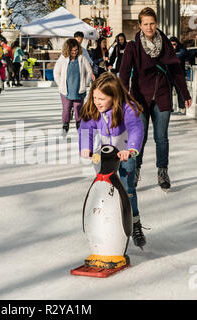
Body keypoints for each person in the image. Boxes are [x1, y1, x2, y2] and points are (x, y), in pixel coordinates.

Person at [119, 7, 191, 191]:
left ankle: (162, 171)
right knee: (139, 138)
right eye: (146, 24)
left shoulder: (165, 44)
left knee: (161, 138)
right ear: (140, 25)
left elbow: (176, 70)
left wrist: (185, 94)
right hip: (140, 98)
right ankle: (135, 170)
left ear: (156, 23)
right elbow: (125, 73)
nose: (149, 27)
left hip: (162, 96)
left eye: (152, 23)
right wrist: (123, 97)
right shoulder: (133, 46)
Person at [78, 72, 146, 249]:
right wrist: (86, 147)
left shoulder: (127, 108)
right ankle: (106, 223)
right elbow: (85, 127)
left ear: (114, 96)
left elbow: (136, 128)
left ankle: (135, 223)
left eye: (102, 98)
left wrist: (130, 149)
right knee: (104, 188)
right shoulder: (94, 109)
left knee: (128, 189)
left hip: (125, 154)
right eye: (94, 97)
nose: (97, 102)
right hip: (104, 155)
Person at [53, 38, 92, 135]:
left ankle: (79, 123)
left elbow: (89, 71)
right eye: (72, 50)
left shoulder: (82, 58)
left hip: (79, 89)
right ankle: (65, 124)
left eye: (76, 50)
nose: (74, 52)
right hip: (66, 90)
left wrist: (86, 83)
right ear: (67, 49)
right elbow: (56, 72)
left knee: (78, 108)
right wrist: (60, 84)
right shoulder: (63, 59)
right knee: (66, 108)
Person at [170, 36, 189, 114]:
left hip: (179, 75)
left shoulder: (182, 50)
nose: (173, 47)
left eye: (174, 44)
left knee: (180, 91)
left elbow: (179, 57)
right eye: (171, 45)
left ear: (177, 44)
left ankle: (182, 108)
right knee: (168, 92)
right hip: (169, 75)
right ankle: (169, 108)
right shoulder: (168, 51)